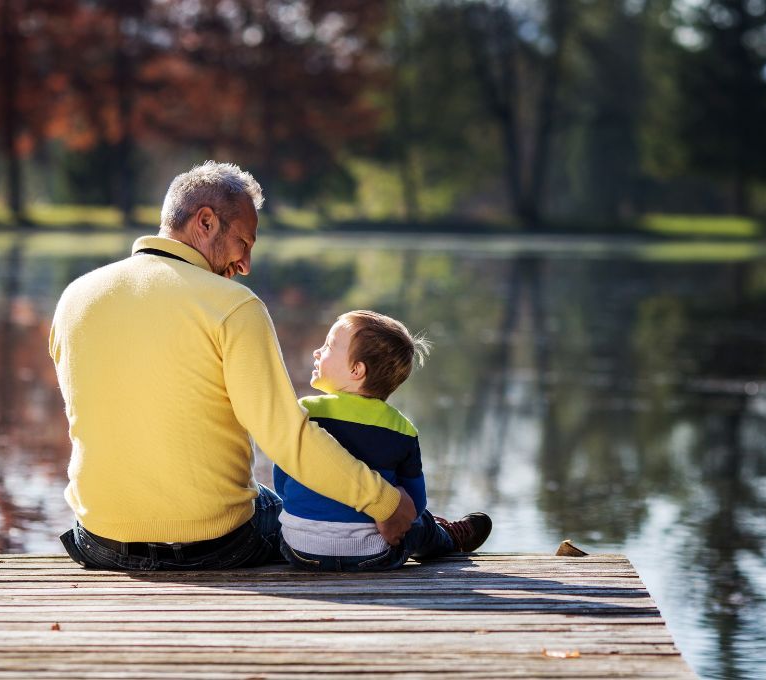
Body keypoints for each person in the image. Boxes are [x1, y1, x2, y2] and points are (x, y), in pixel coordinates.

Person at [49, 161, 417, 570]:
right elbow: (287, 440)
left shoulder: (74, 299)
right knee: (328, 516)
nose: (245, 265)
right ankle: (430, 531)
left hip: (101, 542)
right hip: (214, 545)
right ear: (205, 222)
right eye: (244, 241)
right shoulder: (233, 306)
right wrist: (384, 501)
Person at [275, 310, 491, 572]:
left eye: (328, 346)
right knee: (417, 521)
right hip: (374, 555)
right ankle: (447, 538)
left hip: (299, 551)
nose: (317, 352)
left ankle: (441, 530)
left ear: (357, 370)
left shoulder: (304, 412)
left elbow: (282, 479)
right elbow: (414, 504)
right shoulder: (402, 429)